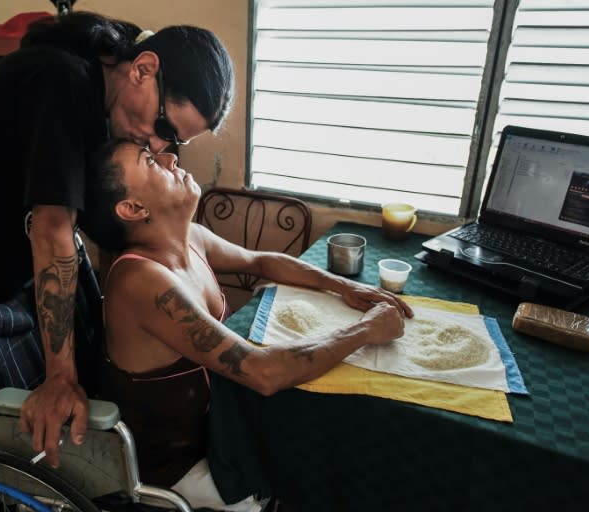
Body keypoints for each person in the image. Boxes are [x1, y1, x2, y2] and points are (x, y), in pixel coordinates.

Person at [0, 11, 234, 467]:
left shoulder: (108, 86)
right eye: (165, 128)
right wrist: (60, 377)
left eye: (175, 143)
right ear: (144, 69)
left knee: (50, 413)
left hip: (6, 258)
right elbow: (52, 230)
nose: (160, 147)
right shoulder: (61, 82)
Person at [81, 139, 414, 510]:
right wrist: (366, 331)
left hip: (221, 426)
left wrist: (344, 286)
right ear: (132, 207)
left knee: (316, 435)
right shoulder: (142, 281)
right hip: (175, 467)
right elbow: (262, 372)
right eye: (150, 162)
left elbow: (260, 262)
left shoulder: (189, 239)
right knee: (310, 462)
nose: (170, 157)